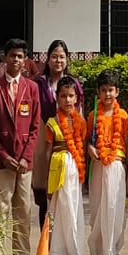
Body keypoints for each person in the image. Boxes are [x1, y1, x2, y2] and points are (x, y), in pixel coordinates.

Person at [0, 39, 40, 255]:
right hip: (3, 162)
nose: (16, 60)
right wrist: (2, 155)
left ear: (25, 60)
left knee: (23, 210)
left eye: (20, 56)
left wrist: (26, 157)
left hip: (24, 164)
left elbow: (35, 127)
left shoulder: (31, 88)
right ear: (4, 58)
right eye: (12, 55)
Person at [32, 40, 83, 232]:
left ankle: (65, 241)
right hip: (44, 140)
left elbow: (79, 114)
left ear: (67, 59)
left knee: (68, 196)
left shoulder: (73, 84)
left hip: (68, 145)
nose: (58, 60)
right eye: (54, 56)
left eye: (62, 56)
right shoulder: (38, 84)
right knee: (45, 194)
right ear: (48, 59)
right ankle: (46, 242)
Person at [86, 69, 128, 255]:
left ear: (117, 91)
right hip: (98, 165)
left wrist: (126, 169)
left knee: (115, 209)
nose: (107, 94)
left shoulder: (123, 116)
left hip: (117, 165)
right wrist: (90, 148)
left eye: (111, 90)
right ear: (98, 92)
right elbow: (88, 140)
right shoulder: (93, 115)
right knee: (98, 210)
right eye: (103, 90)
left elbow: (126, 143)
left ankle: (114, 251)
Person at [45, 76, 88, 255]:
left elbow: (83, 148)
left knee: (73, 212)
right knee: (58, 212)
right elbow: (48, 152)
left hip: (75, 171)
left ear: (76, 98)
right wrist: (47, 178)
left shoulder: (81, 122)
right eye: (63, 96)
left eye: (71, 96)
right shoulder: (52, 123)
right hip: (58, 171)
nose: (67, 100)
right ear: (57, 98)